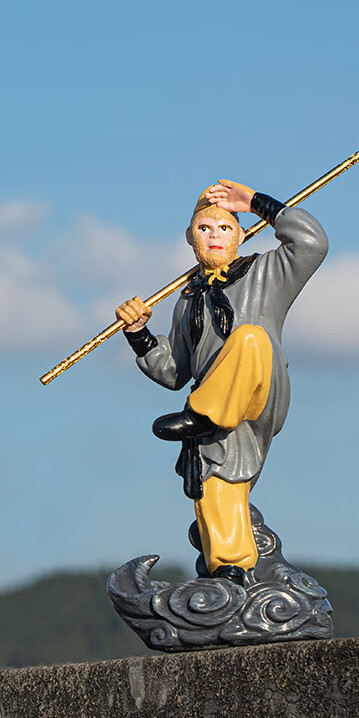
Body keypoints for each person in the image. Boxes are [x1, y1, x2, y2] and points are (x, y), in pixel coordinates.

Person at [116, 179, 328, 586]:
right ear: (190, 237)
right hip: (214, 408)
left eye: (225, 227)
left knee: (250, 337)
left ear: (241, 235)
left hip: (259, 388)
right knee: (217, 477)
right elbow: (174, 372)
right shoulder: (186, 299)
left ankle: (205, 412)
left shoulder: (266, 271)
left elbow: (312, 243)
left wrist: (255, 203)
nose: (215, 236)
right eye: (205, 228)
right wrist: (139, 333)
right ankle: (230, 570)